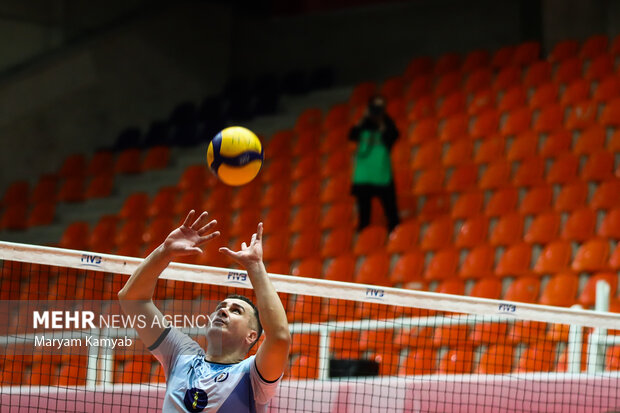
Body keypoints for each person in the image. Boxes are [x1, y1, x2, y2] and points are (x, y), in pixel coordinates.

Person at [118, 210, 290, 412]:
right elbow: (132, 300)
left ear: (251, 336)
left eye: (236, 311)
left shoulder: (253, 376)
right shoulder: (181, 354)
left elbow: (279, 336)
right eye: (220, 307)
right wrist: (165, 251)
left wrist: (255, 266)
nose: (223, 311)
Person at [348, 94, 400, 232]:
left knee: (391, 209)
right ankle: (364, 237)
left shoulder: (388, 123)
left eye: (379, 107)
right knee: (363, 211)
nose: (376, 110)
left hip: (381, 174)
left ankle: (394, 234)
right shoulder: (364, 123)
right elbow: (351, 136)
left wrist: (382, 124)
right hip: (363, 174)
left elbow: (392, 138)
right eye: (373, 107)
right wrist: (362, 119)